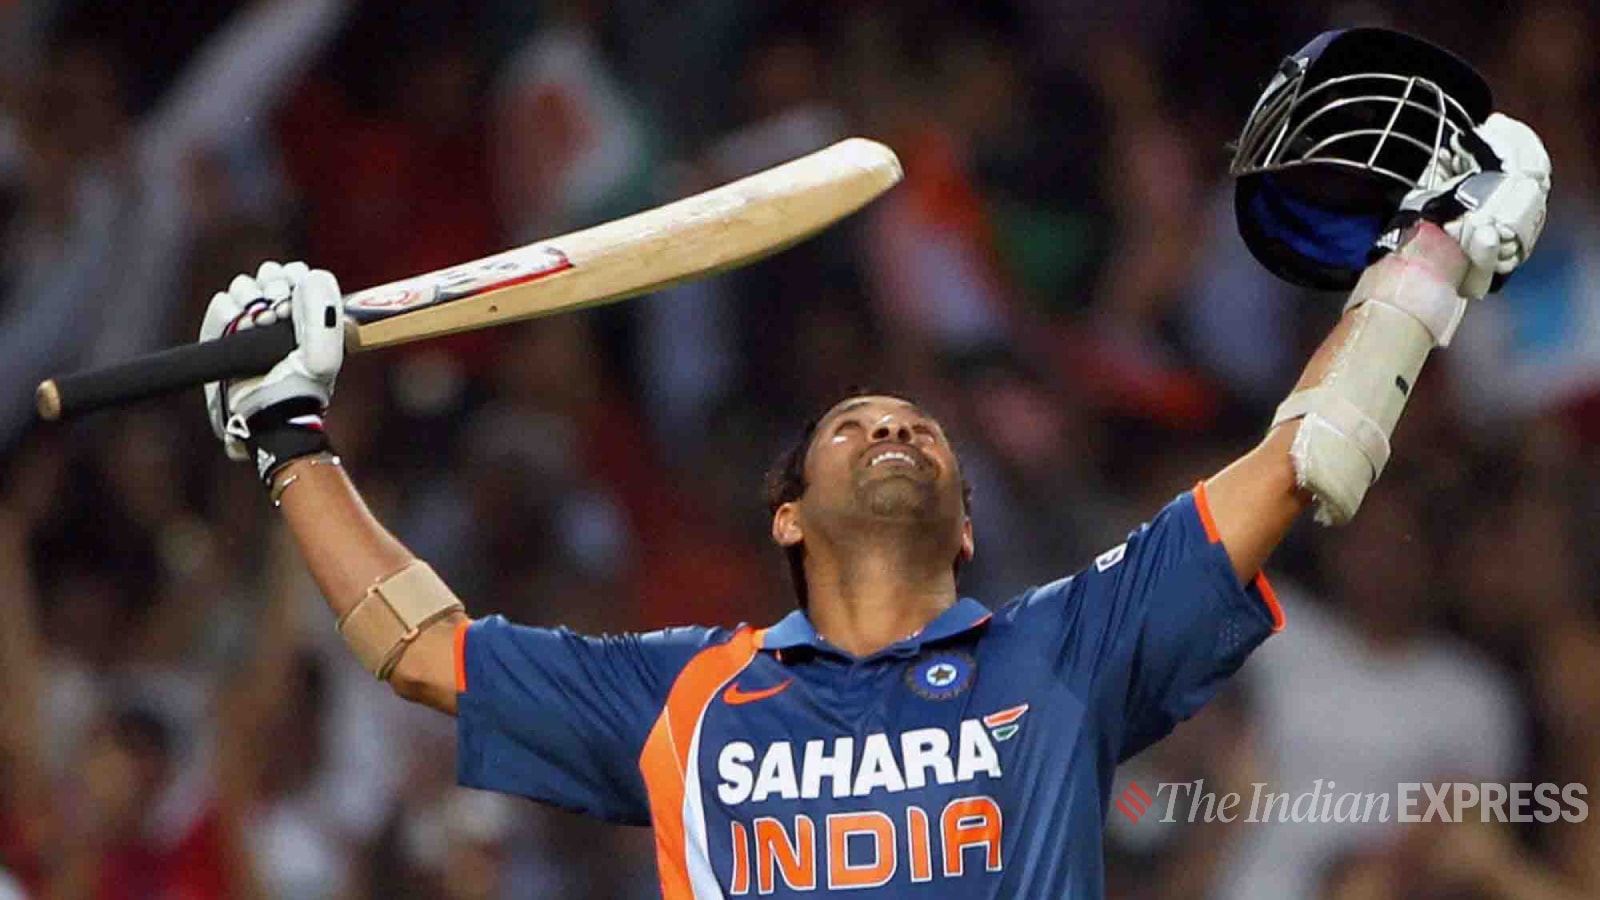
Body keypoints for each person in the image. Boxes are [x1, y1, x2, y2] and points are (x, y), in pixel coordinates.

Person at [191, 106, 1550, 895]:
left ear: (966, 525)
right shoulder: (685, 697)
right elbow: (418, 648)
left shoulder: (1066, 646)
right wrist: (287, 435)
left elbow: (1308, 454)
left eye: (920, 430)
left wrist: (1429, 260)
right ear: (787, 516)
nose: (893, 424)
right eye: (852, 425)